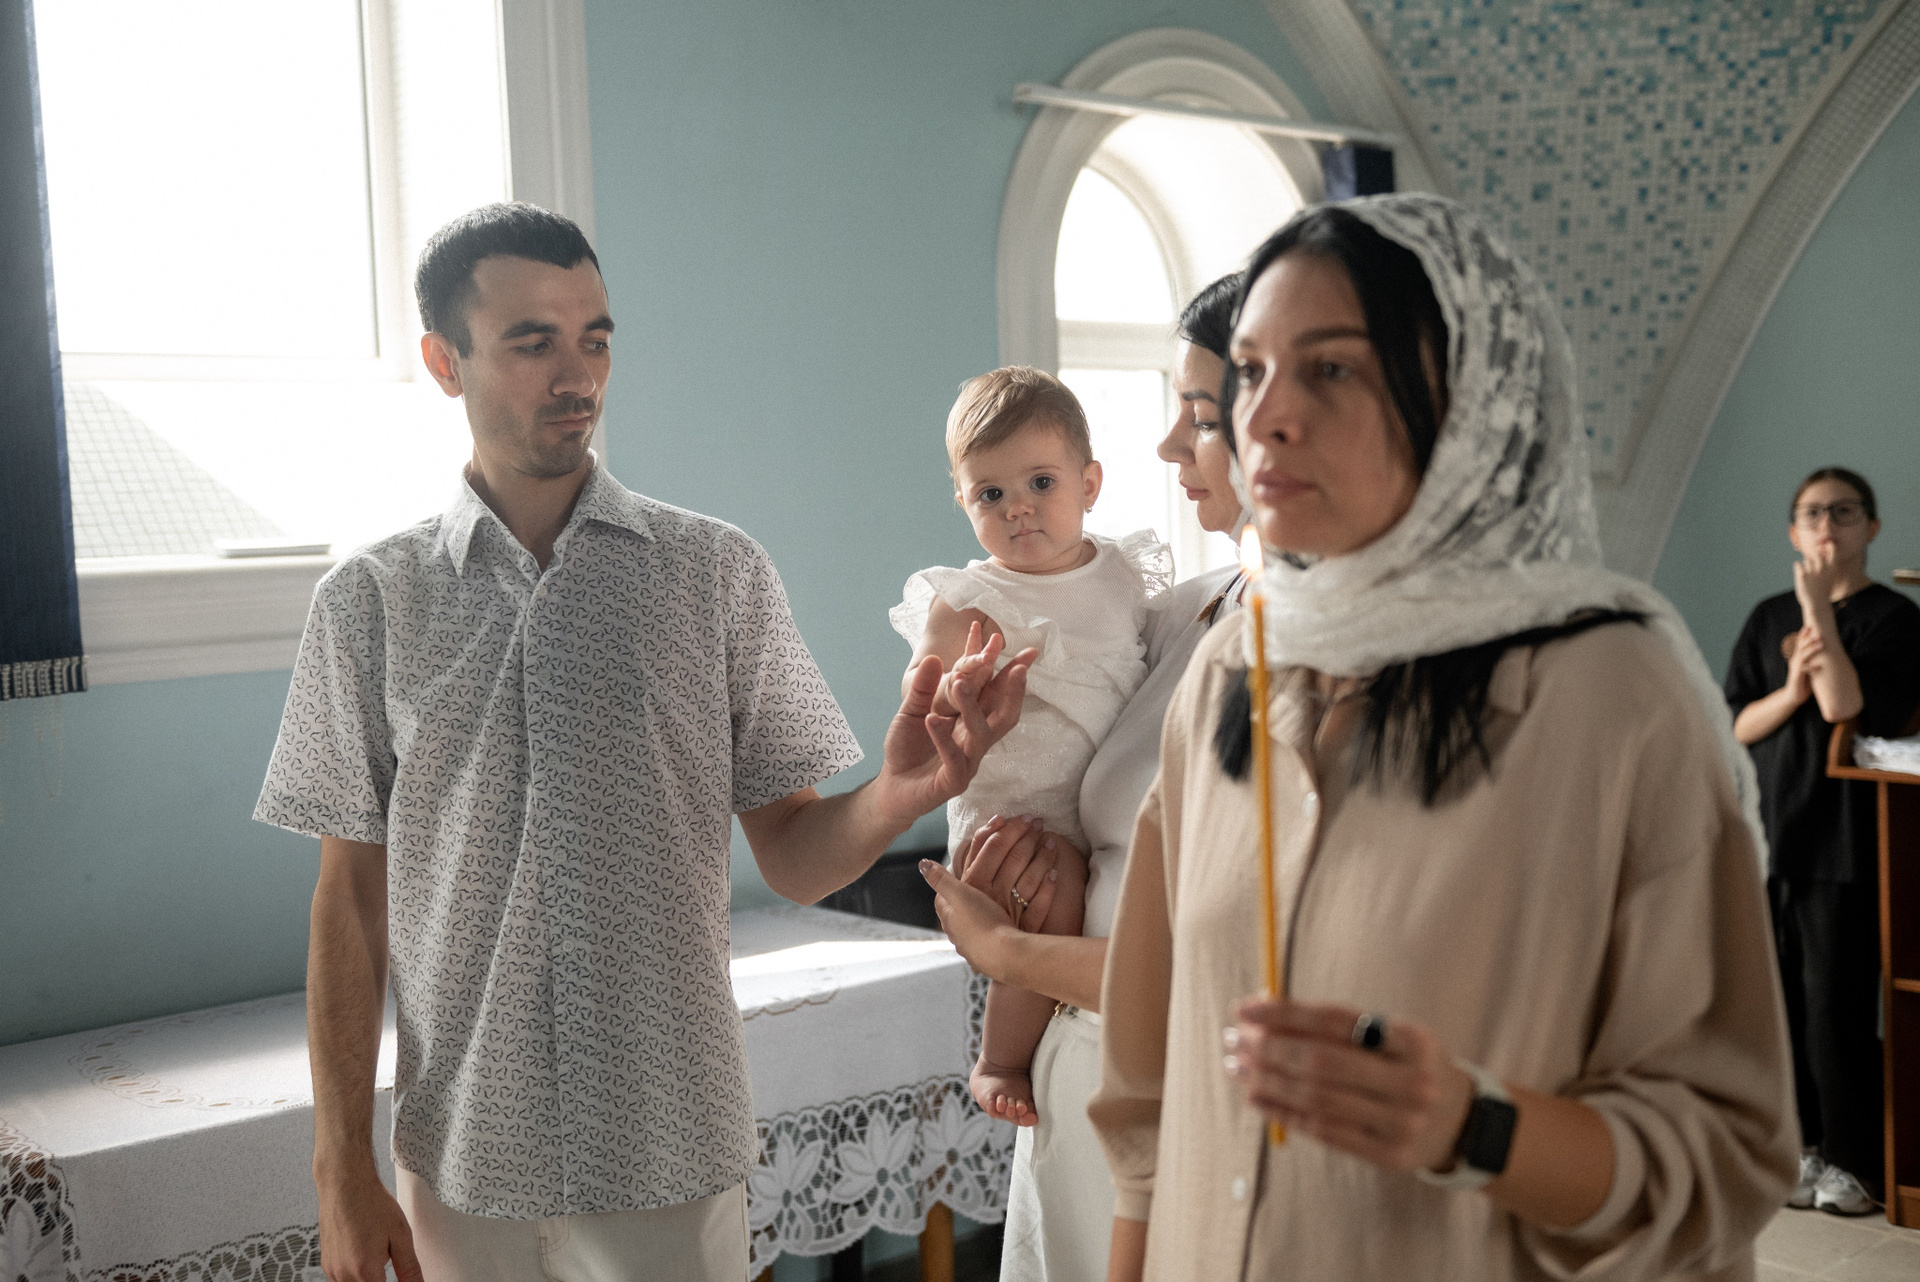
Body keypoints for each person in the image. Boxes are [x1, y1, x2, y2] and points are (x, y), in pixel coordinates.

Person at [254, 202, 1034, 1282]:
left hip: (673, 1151)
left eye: (596, 338)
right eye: (534, 342)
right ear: (444, 362)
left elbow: (794, 856)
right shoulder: (367, 603)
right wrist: (340, 1164)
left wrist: (901, 793)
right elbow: (349, 899)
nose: (577, 374)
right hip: (463, 1161)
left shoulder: (715, 574)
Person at [1091, 195, 1798, 1281]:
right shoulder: (1234, 666)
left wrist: (1474, 1124)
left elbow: (1727, 1151)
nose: (1266, 417)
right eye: (1252, 372)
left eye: (1331, 369)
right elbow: (1148, 1094)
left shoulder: (1611, 694)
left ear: (1469, 405)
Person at [917, 274, 1249, 1282]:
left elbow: (1235, 967)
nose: (1169, 445)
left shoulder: (1315, 650)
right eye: (991, 492)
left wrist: (1010, 949)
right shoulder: (1185, 608)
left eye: (1200, 417)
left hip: (1189, 1087)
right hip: (1074, 1069)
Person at [891, 366, 1171, 1126]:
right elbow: (921, 707)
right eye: (990, 494)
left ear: (1090, 484)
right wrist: (953, 691)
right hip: (1013, 814)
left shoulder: (1121, 574)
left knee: (1092, 912)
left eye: (1040, 483)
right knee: (1050, 899)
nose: (1017, 507)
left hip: (1097, 803)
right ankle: (1000, 1059)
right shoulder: (970, 600)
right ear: (962, 502)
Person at [1726, 467, 1920, 1216]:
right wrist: (1788, 691)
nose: (1827, 527)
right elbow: (1739, 722)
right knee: (1779, 1005)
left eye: (1843, 512)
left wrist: (1818, 616)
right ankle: (1801, 1147)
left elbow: (1847, 707)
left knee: (1835, 1008)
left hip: (1845, 841)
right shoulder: (1765, 615)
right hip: (1773, 834)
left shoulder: (1894, 619)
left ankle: (1855, 1162)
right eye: (1812, 514)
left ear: (1872, 527)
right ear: (1792, 531)